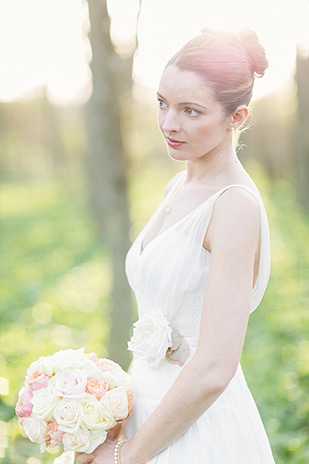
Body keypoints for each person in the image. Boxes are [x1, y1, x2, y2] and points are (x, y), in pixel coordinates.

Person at [77, 27, 276, 464]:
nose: (169, 123)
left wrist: (127, 456)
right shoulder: (176, 186)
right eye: (163, 103)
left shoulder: (233, 207)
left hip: (192, 432)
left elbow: (213, 369)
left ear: (236, 117)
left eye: (190, 110)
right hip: (140, 410)